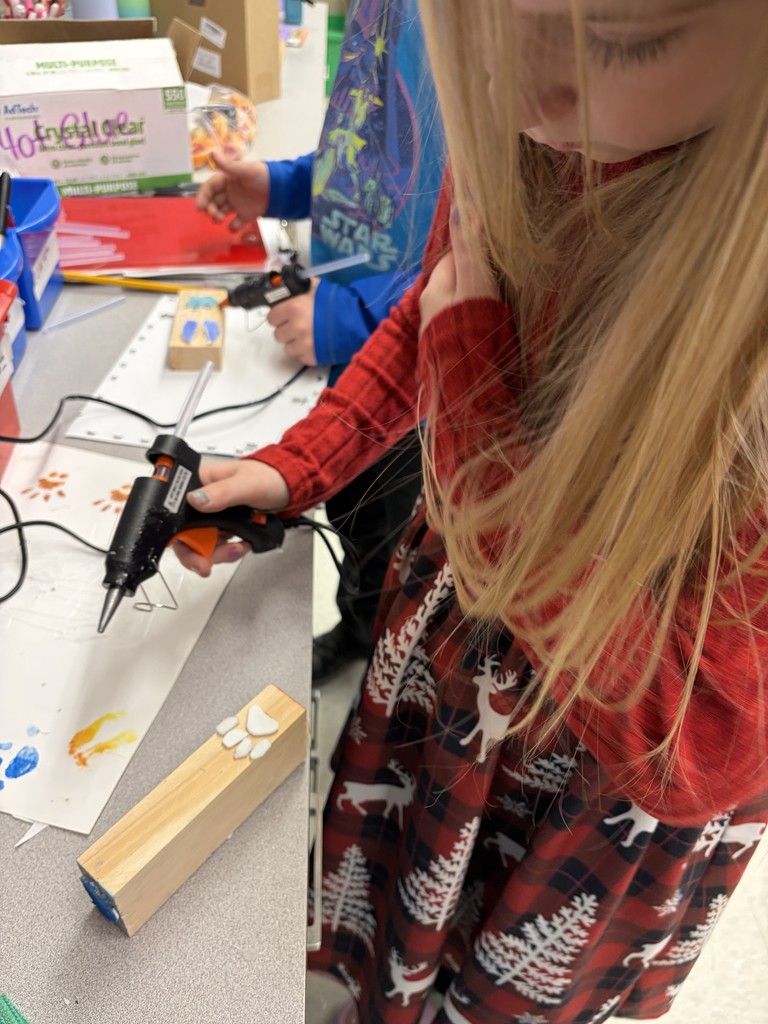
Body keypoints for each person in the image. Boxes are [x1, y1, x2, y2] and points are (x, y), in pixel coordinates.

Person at [178, 1, 768, 1021]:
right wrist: (300, 463)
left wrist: (469, 386)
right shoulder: (536, 126)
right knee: (396, 924)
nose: (513, 93)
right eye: (480, 28)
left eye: (616, 38)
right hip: (458, 677)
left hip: (589, 778)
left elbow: (706, 746)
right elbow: (443, 301)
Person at [196, 0, 445, 683]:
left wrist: (351, 317)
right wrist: (280, 185)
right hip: (352, 360)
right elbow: (364, 157)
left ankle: (372, 639)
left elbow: (495, 238)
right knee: (350, 511)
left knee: (385, 538)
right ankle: (363, 623)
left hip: (417, 387)